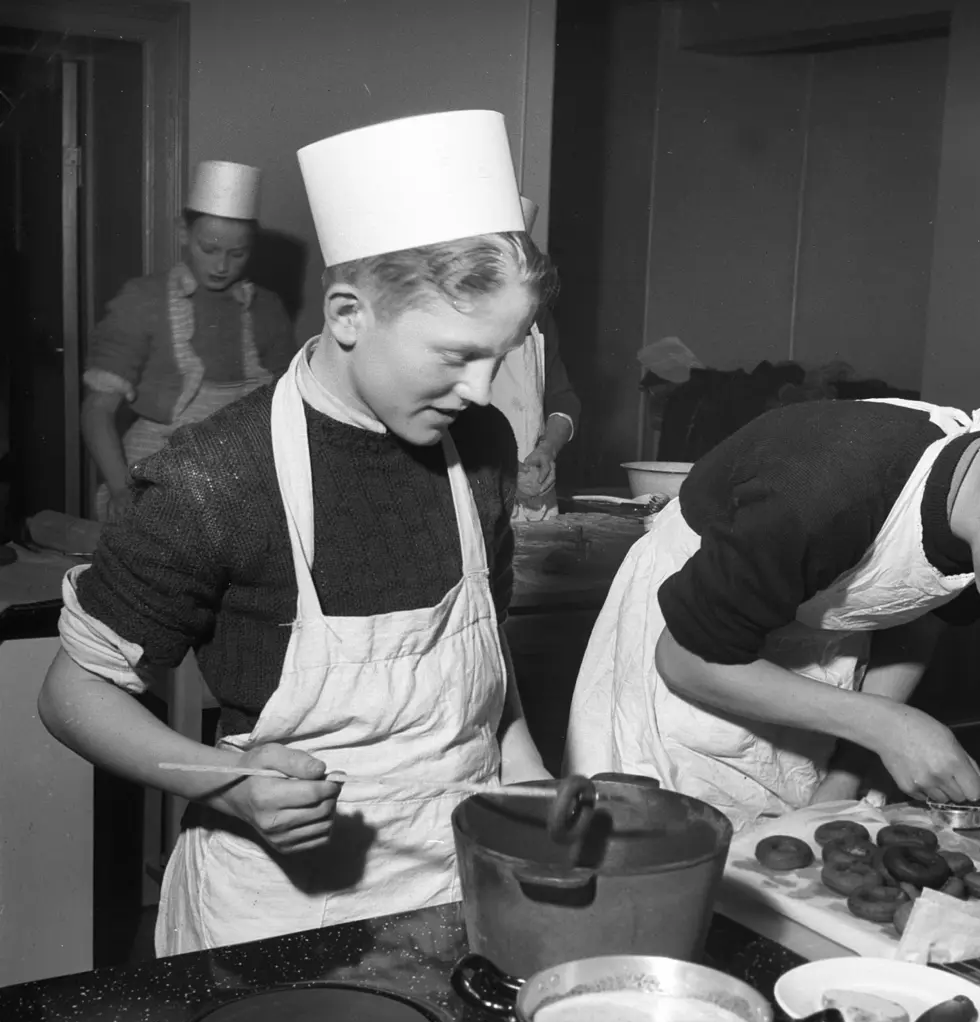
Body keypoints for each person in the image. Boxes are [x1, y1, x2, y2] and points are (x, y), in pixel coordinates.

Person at [38, 110, 555, 956]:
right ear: (349, 312)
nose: (481, 387)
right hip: (279, 913)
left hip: (455, 884)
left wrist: (531, 796)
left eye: (501, 355)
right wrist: (228, 781)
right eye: (457, 353)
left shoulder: (483, 448)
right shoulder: (216, 478)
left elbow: (487, 661)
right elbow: (71, 693)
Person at [564, 396, 980, 833]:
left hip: (821, 649)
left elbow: (916, 612)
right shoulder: (822, 489)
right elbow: (688, 659)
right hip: (690, 647)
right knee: (667, 857)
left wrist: (839, 782)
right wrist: (889, 726)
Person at [81, 160, 295, 523]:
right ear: (183, 232)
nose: (222, 266)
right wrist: (120, 489)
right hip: (152, 468)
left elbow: (288, 408)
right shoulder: (143, 300)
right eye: (208, 248)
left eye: (237, 253)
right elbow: (97, 411)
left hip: (241, 472)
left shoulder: (267, 308)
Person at [489, 196, 581, 521]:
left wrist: (546, 449)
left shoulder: (539, 319)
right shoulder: (462, 329)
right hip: (481, 493)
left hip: (537, 494)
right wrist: (505, 472)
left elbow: (563, 399)